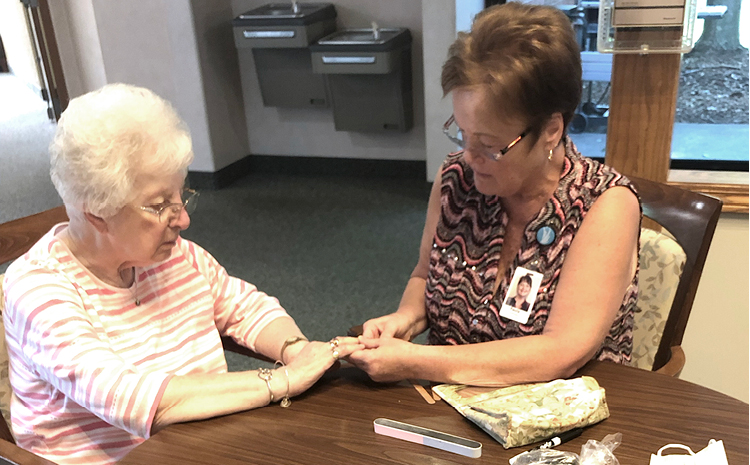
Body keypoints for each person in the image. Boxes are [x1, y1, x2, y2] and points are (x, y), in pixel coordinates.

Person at [1, 83, 362, 465]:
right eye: (159, 206)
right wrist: (284, 380)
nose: (184, 219)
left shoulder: (172, 256)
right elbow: (136, 403)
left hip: (207, 446)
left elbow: (245, 307)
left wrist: (295, 349)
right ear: (96, 212)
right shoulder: (39, 291)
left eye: (181, 195)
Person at [349, 2, 639, 387]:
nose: (469, 157)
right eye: (462, 133)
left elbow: (560, 352)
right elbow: (425, 276)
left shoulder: (604, 205)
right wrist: (404, 319)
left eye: (489, 144)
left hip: (558, 426)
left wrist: (416, 360)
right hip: (449, 406)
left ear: (551, 129)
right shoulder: (456, 178)